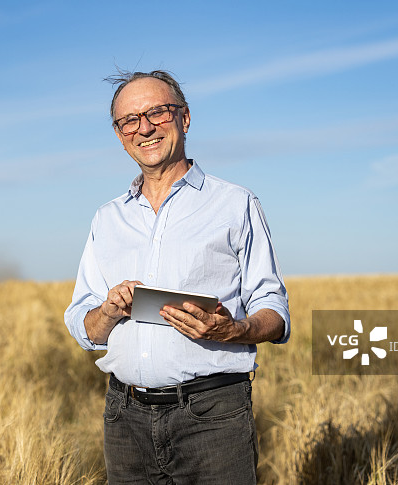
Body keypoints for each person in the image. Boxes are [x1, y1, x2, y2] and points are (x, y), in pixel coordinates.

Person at [64, 69, 290, 485]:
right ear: (119, 134)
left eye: (158, 113)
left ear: (184, 118)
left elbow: (274, 310)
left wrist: (234, 329)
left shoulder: (236, 204)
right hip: (124, 418)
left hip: (212, 417)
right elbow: (84, 327)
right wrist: (109, 310)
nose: (144, 128)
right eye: (129, 120)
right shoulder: (107, 218)